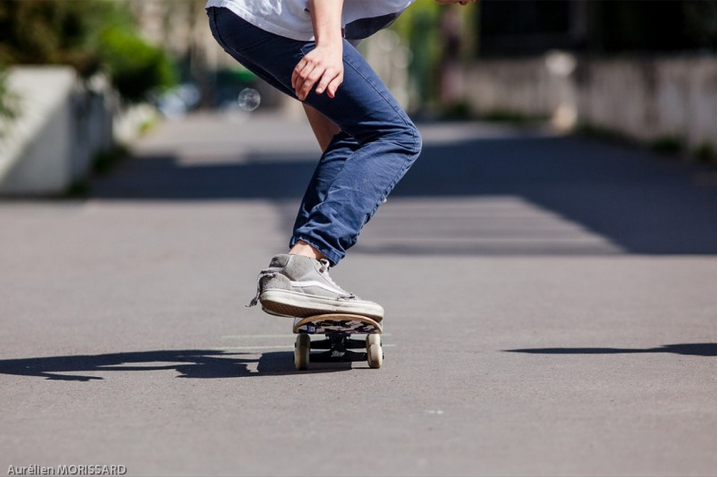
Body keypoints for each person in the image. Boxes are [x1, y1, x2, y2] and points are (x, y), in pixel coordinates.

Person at [206, 0, 475, 322]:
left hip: (241, 22)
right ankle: (305, 261)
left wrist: (357, 170)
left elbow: (323, 87)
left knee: (360, 134)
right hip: (273, 22)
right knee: (398, 137)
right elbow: (329, 52)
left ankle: (300, 271)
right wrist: (329, 44)